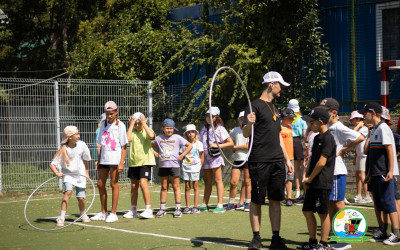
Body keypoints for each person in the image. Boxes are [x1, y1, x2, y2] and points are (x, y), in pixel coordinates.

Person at [242, 71, 294, 250]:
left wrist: (287, 159)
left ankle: (276, 238)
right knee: (257, 200)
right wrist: (249, 123)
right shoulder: (253, 105)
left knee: (275, 199)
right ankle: (256, 238)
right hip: (259, 160)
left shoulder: (275, 108)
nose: (282, 89)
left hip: (277, 161)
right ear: (272, 84)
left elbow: (277, 135)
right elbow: (245, 133)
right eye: (280, 85)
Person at [319, 98, 364, 240]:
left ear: (333, 113)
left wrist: (344, 148)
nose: (321, 113)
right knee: (330, 202)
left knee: (339, 203)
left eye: (324, 111)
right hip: (329, 170)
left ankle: (348, 233)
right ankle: (335, 230)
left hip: (337, 170)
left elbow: (360, 137)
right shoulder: (327, 127)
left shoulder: (338, 127)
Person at [297, 107, 336, 250]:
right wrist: (306, 177)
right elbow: (313, 159)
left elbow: (322, 162)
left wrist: (310, 178)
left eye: (311, 123)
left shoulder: (328, 138)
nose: (309, 125)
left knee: (322, 213)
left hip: (322, 182)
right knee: (307, 211)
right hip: (312, 181)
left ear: (320, 122)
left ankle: (324, 243)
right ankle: (312, 242)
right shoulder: (317, 137)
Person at [360, 102, 400, 245]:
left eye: (365, 113)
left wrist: (390, 170)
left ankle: (396, 234)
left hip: (384, 172)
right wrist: (370, 173)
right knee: (380, 203)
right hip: (376, 172)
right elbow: (372, 155)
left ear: (374, 113)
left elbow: (390, 150)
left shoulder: (383, 128)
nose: (363, 116)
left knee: (389, 204)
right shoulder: (375, 129)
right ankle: (384, 231)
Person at [91, 101, 128, 223]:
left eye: (111, 113)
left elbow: (124, 145)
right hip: (104, 159)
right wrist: (99, 160)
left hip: (115, 159)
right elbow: (101, 144)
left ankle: (113, 213)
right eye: (107, 113)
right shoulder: (103, 125)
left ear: (116, 112)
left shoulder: (120, 125)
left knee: (113, 184)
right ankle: (103, 212)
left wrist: (121, 162)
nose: (110, 116)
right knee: (100, 184)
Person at [50, 126, 92, 226]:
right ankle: (61, 217)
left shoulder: (82, 145)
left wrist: (86, 173)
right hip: (68, 174)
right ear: (69, 137)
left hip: (80, 175)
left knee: (81, 198)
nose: (79, 135)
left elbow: (85, 159)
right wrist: (57, 173)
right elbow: (52, 164)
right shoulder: (64, 149)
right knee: (68, 191)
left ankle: (83, 214)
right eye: (76, 134)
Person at [152, 119, 192, 218]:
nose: (169, 130)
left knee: (176, 187)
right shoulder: (158, 138)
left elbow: (189, 145)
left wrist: (182, 155)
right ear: (163, 128)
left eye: (171, 128)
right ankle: (162, 208)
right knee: (164, 187)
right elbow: (149, 146)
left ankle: (178, 208)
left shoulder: (177, 137)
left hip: (174, 166)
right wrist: (157, 154)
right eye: (167, 128)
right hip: (163, 166)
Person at [199, 106, 234, 213]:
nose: (209, 118)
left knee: (218, 180)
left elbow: (230, 142)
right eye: (207, 116)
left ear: (216, 117)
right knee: (207, 181)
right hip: (205, 158)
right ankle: (205, 203)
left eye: (212, 116)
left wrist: (218, 145)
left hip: (215, 157)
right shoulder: (204, 129)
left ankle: (220, 205)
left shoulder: (220, 129)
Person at [123, 112, 156, 219]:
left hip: (145, 162)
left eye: (139, 123)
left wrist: (144, 123)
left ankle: (148, 210)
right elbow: (127, 139)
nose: (137, 125)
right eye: (136, 123)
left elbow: (151, 136)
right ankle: (133, 210)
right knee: (133, 186)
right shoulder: (132, 131)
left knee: (143, 184)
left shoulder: (146, 131)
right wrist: (131, 124)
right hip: (134, 162)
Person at [226, 111, 251, 211]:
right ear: (238, 120)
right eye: (241, 119)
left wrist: (236, 147)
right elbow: (228, 139)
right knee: (233, 182)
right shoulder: (234, 130)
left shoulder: (251, 130)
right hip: (237, 160)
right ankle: (231, 203)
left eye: (244, 118)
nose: (242, 120)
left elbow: (248, 146)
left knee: (247, 182)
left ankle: (247, 203)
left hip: (248, 159)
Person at [348, 110, 371, 204]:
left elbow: (353, 135)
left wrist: (359, 126)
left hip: (364, 155)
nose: (352, 122)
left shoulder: (364, 129)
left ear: (358, 119)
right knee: (357, 175)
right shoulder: (361, 128)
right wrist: (355, 157)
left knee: (362, 175)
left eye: (353, 120)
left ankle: (367, 196)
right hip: (359, 155)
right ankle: (359, 195)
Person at [287, 99, 308, 199]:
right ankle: (298, 191)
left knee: (286, 166)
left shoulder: (286, 118)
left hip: (286, 140)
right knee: (297, 168)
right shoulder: (302, 119)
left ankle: (286, 190)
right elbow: (304, 134)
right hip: (297, 142)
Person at [181, 124, 204, 214]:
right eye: (188, 132)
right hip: (186, 167)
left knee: (195, 186)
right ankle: (187, 206)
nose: (190, 134)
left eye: (192, 132)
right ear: (186, 134)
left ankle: (195, 206)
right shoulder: (183, 144)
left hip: (195, 167)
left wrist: (199, 167)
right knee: (187, 186)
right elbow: (182, 155)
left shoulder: (199, 144)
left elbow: (202, 156)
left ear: (195, 133)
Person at [280, 108, 296, 206]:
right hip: (282, 157)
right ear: (285, 118)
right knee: (282, 178)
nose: (292, 120)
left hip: (291, 157)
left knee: (290, 178)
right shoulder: (279, 128)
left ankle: (289, 197)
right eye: (290, 118)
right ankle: (280, 197)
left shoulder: (290, 128)